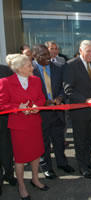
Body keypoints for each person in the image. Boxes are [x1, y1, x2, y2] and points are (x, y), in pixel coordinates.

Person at [0, 54, 48, 199]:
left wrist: (37, 106)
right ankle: (21, 185)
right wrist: (17, 107)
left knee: (36, 153)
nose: (32, 67)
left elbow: (41, 98)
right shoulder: (5, 82)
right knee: (20, 158)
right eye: (28, 66)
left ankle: (35, 179)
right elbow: (2, 105)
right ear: (20, 69)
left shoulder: (36, 80)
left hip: (34, 123)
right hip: (18, 127)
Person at [63, 40, 91, 179]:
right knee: (80, 140)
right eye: (88, 51)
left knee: (89, 139)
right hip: (79, 111)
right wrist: (85, 100)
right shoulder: (71, 65)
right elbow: (68, 89)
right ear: (81, 51)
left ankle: (87, 161)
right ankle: (82, 167)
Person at [32, 45, 74, 179]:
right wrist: (43, 101)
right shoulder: (29, 70)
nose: (48, 58)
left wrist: (61, 97)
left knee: (59, 139)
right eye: (43, 55)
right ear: (35, 56)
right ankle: (47, 167)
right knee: (43, 141)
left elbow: (64, 86)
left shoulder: (58, 68)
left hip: (57, 111)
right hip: (40, 113)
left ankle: (62, 163)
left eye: (48, 54)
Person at [0, 64, 16, 195]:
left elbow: (14, 93)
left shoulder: (5, 70)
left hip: (4, 120)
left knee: (6, 150)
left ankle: (9, 175)